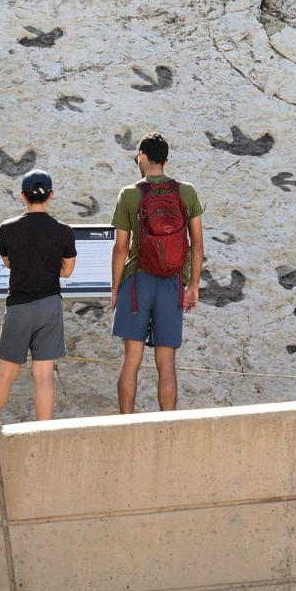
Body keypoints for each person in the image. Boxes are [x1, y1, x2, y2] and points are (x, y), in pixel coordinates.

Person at [110, 132, 204, 413]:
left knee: (131, 360)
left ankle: (126, 423)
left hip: (137, 283)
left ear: (143, 157)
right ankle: (169, 425)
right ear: (166, 160)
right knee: (167, 363)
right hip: (172, 283)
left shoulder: (129, 194)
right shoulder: (186, 191)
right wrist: (193, 285)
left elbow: (120, 247)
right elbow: (197, 243)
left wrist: (116, 288)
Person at [0, 169, 77, 421]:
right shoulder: (64, 231)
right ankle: (43, 430)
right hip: (49, 304)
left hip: (18, 305)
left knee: (6, 373)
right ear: (50, 195)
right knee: (44, 375)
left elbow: (9, 263)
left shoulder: (7, 228)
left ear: (22, 196)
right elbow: (68, 271)